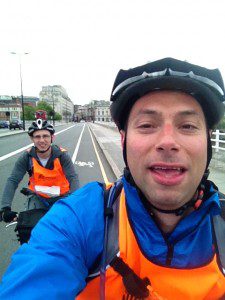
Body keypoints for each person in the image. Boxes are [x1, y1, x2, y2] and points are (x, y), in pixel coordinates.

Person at [0, 58, 225, 299]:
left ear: (208, 140)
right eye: (148, 125)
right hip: (43, 199)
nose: (168, 142)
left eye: (188, 126)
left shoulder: (61, 157)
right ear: (123, 140)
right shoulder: (83, 217)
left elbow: (73, 176)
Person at [0, 118, 79, 242]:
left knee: (66, 231)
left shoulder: (62, 156)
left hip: (61, 197)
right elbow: (13, 180)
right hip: (38, 197)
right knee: (30, 231)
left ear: (52, 137)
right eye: (37, 137)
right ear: (32, 139)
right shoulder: (27, 157)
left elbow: (73, 178)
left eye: (45, 136)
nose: (42, 140)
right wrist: (5, 208)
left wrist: (75, 203)